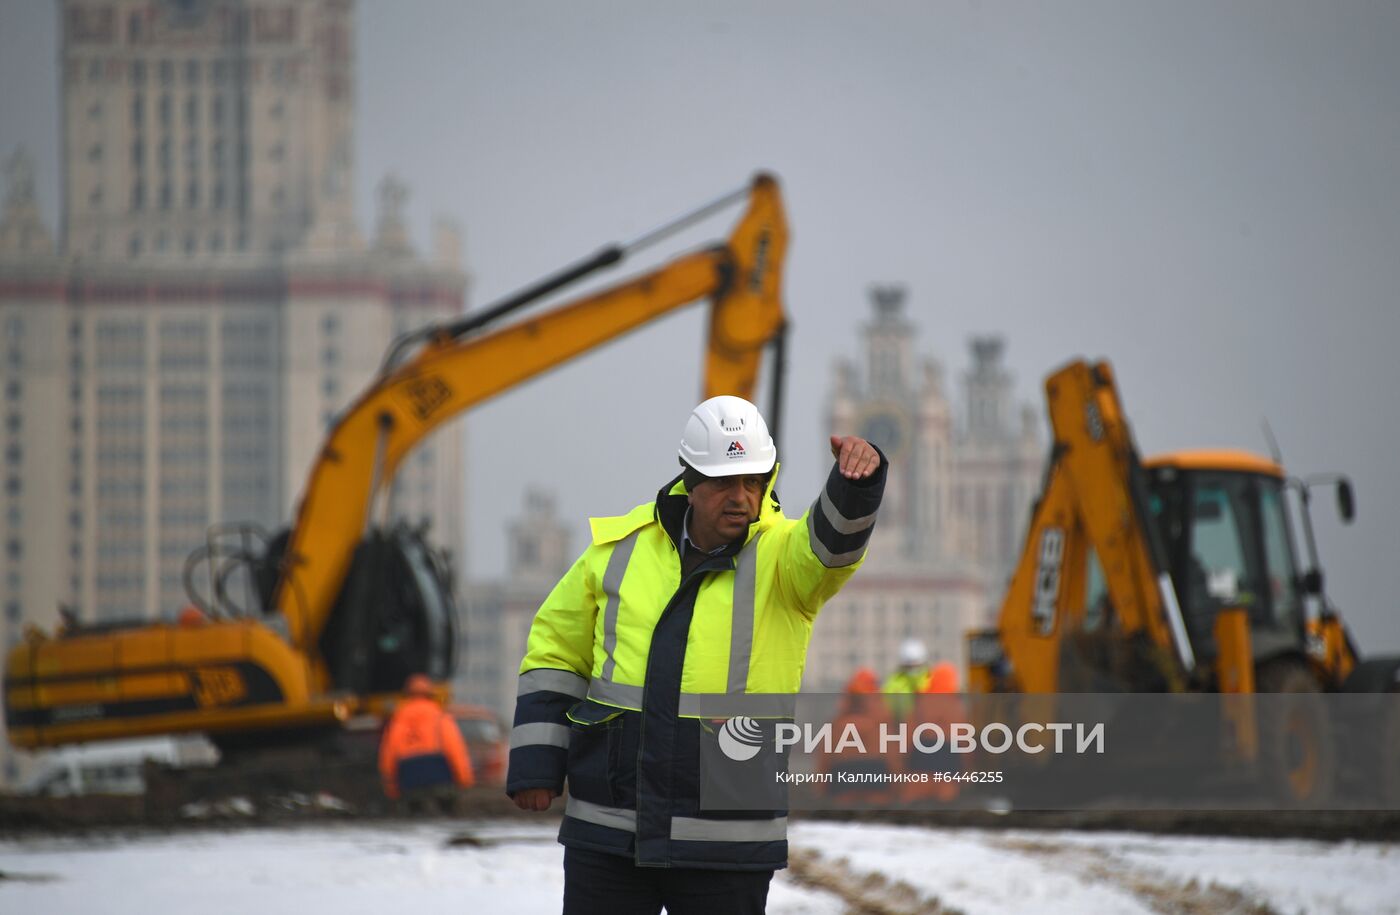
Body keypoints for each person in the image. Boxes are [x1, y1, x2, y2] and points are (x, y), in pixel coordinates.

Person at [507, 395, 886, 915]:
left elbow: (831, 549)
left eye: (754, 481)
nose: (742, 497)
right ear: (690, 480)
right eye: (725, 482)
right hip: (611, 831)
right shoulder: (619, 550)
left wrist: (854, 487)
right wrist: (537, 762)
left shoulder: (785, 559)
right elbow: (555, 649)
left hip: (725, 841)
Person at [379, 673, 474, 814]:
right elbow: (455, 750)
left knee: (413, 815)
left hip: (408, 776)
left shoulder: (398, 718)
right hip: (439, 775)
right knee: (447, 811)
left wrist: (392, 787)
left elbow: (388, 755)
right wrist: (464, 780)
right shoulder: (439, 716)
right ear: (430, 694)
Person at [883, 638, 932, 720]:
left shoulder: (931, 679)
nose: (913, 670)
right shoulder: (894, 683)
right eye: (909, 666)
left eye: (916, 665)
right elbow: (885, 708)